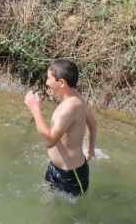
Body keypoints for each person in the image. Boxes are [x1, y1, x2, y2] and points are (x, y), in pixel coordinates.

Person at [24, 59, 98, 197]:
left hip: (71, 175)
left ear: (62, 83)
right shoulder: (78, 99)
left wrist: (35, 108)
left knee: (72, 214)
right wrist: (91, 149)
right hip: (54, 168)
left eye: (49, 78)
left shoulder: (70, 107)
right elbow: (93, 125)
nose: (46, 82)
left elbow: (50, 140)